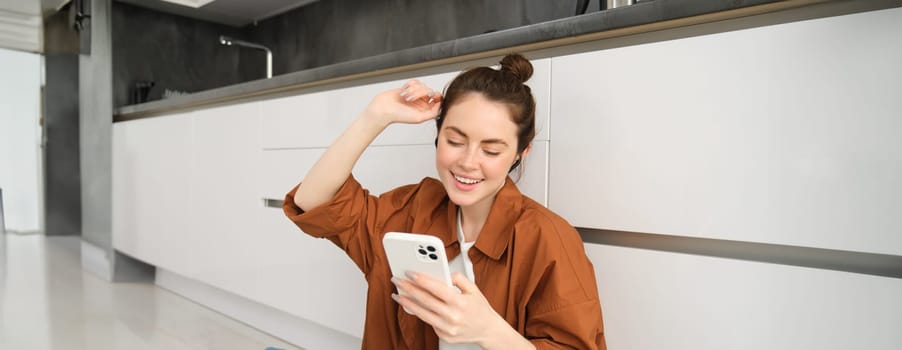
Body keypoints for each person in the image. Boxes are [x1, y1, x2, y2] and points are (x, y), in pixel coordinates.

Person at [283, 53, 606, 350]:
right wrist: (376, 115)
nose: (468, 162)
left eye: (491, 150)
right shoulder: (409, 209)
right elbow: (313, 201)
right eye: (454, 141)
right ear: (438, 135)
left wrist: (489, 330)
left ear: (520, 154)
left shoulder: (548, 240)